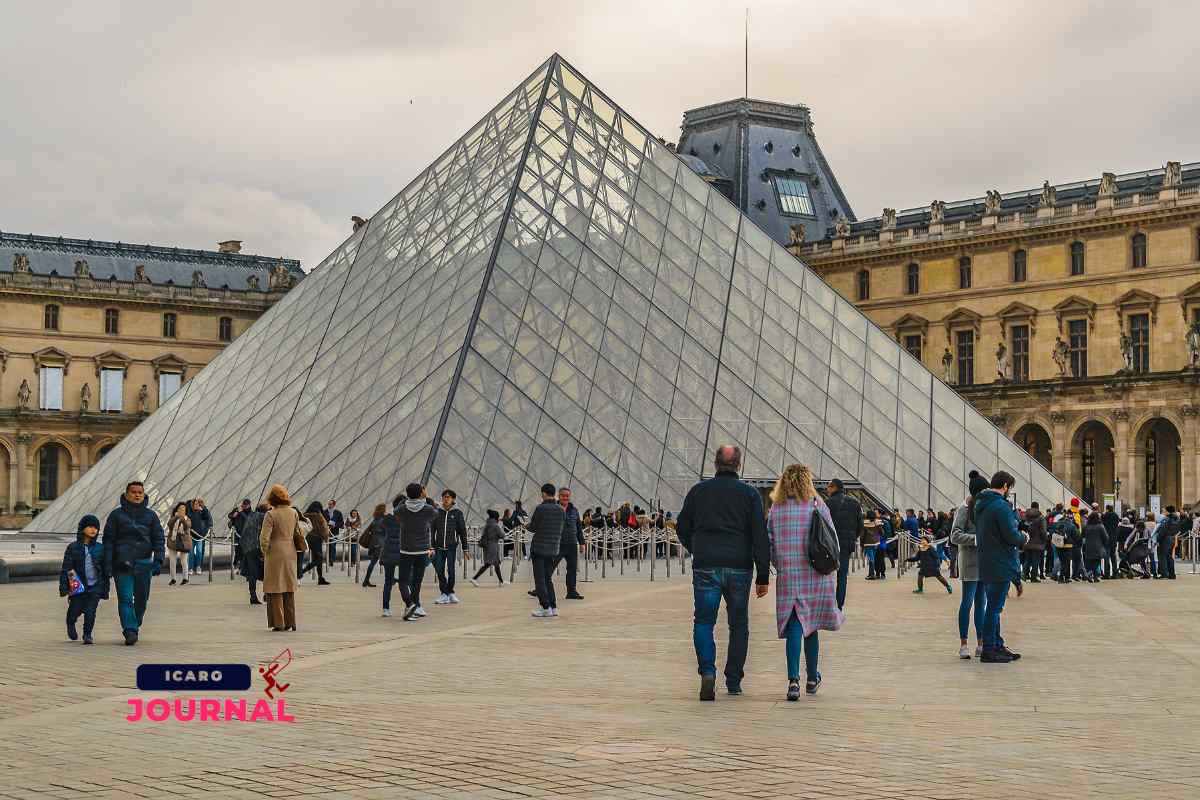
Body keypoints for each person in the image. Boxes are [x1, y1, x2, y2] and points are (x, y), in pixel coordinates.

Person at [676, 445, 770, 701]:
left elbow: (682, 527)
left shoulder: (698, 491)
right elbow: (760, 535)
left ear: (716, 464)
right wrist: (763, 575)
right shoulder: (750, 495)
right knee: (739, 624)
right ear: (738, 464)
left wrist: (696, 547)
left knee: (704, 621)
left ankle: (707, 671)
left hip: (706, 564)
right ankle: (734, 680)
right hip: (740, 566)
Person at [766, 464, 843, 701]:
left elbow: (769, 544)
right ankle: (812, 677)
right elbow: (833, 541)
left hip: (789, 575)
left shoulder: (776, 509)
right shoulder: (817, 505)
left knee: (794, 626)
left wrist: (779, 564)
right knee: (811, 625)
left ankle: (793, 681)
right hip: (815, 574)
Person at [974, 471, 1028, 664]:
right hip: (1001, 562)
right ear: (1005, 486)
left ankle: (997, 644)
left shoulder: (981, 504)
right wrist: (1024, 537)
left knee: (993, 606)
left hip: (987, 562)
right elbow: (1011, 536)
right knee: (994, 609)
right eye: (1009, 488)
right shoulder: (1001, 507)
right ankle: (990, 649)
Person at [101, 481, 165, 646]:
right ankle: (130, 630)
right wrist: (107, 564)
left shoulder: (151, 516)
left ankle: (134, 623)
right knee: (126, 598)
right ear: (126, 494)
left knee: (142, 599)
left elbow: (158, 539)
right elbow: (108, 541)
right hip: (121, 563)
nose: (137, 495)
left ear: (144, 495)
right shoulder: (116, 516)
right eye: (134, 492)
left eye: (140, 493)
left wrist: (158, 560)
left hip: (144, 562)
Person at [380, 484, 438, 621]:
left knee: (403, 582)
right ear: (421, 493)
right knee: (416, 582)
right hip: (422, 549)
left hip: (406, 550)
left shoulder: (402, 509)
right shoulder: (427, 509)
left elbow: (397, 509)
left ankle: (410, 604)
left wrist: (405, 500)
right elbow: (436, 512)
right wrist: (425, 497)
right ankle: (414, 606)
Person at [951, 472, 990, 659]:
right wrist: (976, 540)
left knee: (981, 604)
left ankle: (981, 643)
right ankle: (964, 643)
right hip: (969, 562)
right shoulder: (964, 510)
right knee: (967, 602)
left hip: (984, 561)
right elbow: (955, 535)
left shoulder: (987, 509)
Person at [59, 514, 107, 644]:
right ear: (82, 528)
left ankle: (87, 634)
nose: (93, 530)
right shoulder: (73, 547)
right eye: (90, 526)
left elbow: (105, 568)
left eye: (96, 527)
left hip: (95, 585)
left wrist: (105, 584)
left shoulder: (100, 548)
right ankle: (70, 622)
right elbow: (67, 568)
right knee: (75, 608)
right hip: (78, 584)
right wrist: (64, 587)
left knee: (91, 611)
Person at [260, 484, 302, 632]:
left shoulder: (271, 514)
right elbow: (297, 532)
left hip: (275, 553)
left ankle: (279, 623)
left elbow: (264, 538)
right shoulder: (293, 513)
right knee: (289, 587)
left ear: (272, 498)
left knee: (275, 587)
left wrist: (264, 551)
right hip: (290, 551)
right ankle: (292, 621)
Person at [824, 478, 863, 611]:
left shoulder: (827, 504)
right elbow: (860, 526)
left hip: (829, 544)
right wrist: (852, 537)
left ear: (834, 487)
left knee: (826, 573)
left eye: (828, 487)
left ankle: (827, 603)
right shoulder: (855, 503)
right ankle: (839, 605)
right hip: (846, 544)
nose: (827, 489)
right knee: (842, 575)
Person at [528, 483, 566, 619]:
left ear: (544, 493)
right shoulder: (561, 510)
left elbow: (533, 527)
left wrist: (525, 525)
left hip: (539, 548)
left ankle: (545, 607)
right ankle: (553, 607)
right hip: (553, 548)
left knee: (540, 579)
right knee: (548, 578)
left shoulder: (540, 508)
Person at [432, 489, 468, 604]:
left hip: (451, 546)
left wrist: (465, 548)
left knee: (451, 571)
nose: (445, 499)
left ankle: (450, 592)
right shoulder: (437, 512)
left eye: (448, 497)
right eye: (444, 497)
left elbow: (462, 531)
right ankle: (444, 593)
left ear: (453, 499)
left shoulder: (457, 513)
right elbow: (432, 531)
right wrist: (431, 546)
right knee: (439, 570)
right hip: (438, 547)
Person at [553, 486, 586, 600]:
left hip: (572, 544)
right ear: (559, 496)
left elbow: (578, 527)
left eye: (567, 496)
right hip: (557, 543)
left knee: (572, 569)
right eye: (563, 495)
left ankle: (571, 591)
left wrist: (582, 543)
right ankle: (540, 589)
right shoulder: (554, 508)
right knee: (549, 567)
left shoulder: (574, 510)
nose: (565, 498)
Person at [239, 502, 267, 605]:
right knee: (266, 572)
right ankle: (266, 594)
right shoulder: (264, 517)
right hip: (258, 548)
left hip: (248, 548)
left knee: (252, 573)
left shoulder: (251, 516)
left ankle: (253, 596)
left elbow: (244, 533)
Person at [470, 509, 507, 587]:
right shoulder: (495, 526)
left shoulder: (488, 524)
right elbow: (502, 535)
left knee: (496, 564)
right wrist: (501, 530)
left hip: (487, 546)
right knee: (488, 564)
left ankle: (501, 581)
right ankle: (474, 578)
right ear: (496, 517)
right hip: (493, 547)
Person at [298, 502, 332, 585]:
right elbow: (323, 528)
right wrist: (325, 537)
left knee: (315, 558)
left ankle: (320, 578)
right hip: (316, 539)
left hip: (307, 538)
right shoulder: (318, 515)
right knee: (319, 558)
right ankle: (301, 572)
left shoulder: (304, 515)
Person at [358, 504, 387, 588]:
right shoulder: (383, 520)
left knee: (373, 562)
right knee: (384, 562)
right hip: (380, 544)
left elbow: (370, 530)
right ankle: (390, 579)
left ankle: (366, 580)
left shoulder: (375, 520)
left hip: (373, 543)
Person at [165, 502, 192, 586]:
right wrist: (176, 517)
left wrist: (182, 519)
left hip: (184, 542)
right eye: (180, 509)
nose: (182, 510)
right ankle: (173, 579)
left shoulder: (188, 519)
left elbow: (187, 526)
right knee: (172, 561)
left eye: (183, 509)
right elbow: (169, 525)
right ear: (177, 510)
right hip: (173, 541)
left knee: (183, 561)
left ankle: (185, 578)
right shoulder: (173, 518)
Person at [186, 497, 212, 575]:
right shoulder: (189, 513)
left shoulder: (202, 512)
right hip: (191, 536)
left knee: (199, 552)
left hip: (200, 536)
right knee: (190, 553)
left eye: (198, 504)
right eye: (195, 504)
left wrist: (203, 507)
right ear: (192, 505)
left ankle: (198, 567)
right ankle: (190, 568)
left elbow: (207, 516)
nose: (197, 505)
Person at [1082, 512, 1109, 584]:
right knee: (1096, 562)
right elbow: (1105, 537)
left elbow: (1082, 536)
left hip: (1088, 547)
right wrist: (1104, 543)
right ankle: (1091, 574)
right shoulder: (1100, 526)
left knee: (1090, 562)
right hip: (1098, 547)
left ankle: (1094, 576)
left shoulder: (1086, 526)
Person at [1022, 503, 1046, 583]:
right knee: (1036, 560)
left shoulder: (1026, 516)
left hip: (1027, 542)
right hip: (1038, 543)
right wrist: (1044, 539)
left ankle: (1024, 575)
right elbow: (1043, 531)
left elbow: (1022, 527)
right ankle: (1033, 577)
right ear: (1038, 507)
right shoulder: (1041, 517)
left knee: (1028, 559)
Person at [1156, 506, 1179, 580]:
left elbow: (1163, 530)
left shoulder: (1166, 520)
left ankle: (1164, 574)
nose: (1164, 512)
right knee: (1169, 557)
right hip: (1172, 538)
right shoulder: (1176, 519)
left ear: (1168, 512)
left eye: (1165, 511)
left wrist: (1158, 539)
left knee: (1162, 556)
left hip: (1165, 539)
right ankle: (1172, 574)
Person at [862, 510, 883, 580]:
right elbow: (881, 532)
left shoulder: (864, 523)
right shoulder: (877, 522)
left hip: (867, 542)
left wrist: (862, 543)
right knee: (872, 557)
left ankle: (872, 574)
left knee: (871, 558)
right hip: (876, 541)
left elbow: (862, 535)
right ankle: (870, 574)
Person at [1100, 504, 1120, 579]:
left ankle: (1107, 574)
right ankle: (1115, 573)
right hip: (1114, 538)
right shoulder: (1116, 516)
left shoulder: (1105, 516)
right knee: (1113, 556)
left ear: (1107, 509)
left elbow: (1102, 523)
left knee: (1106, 556)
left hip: (1107, 538)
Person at [325, 499, 344, 566]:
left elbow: (341, 523)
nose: (329, 505)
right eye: (329, 504)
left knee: (333, 545)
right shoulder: (324, 512)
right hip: (327, 531)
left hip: (335, 531)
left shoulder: (338, 513)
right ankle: (328, 558)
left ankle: (331, 559)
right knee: (329, 545)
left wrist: (335, 525)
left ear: (334, 505)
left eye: (331, 504)